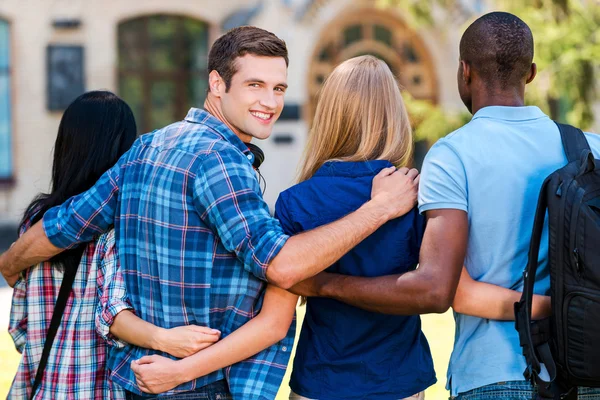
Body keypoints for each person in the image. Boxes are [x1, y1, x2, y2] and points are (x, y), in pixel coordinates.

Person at [0, 27, 418, 399]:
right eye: (255, 85)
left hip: (141, 380)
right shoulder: (221, 161)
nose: (269, 102)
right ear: (217, 84)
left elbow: (67, 223)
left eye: (278, 88)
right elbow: (284, 266)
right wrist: (378, 208)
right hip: (203, 384)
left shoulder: (149, 145)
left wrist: (11, 261)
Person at [290, 12, 600, 400]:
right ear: (532, 73)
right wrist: (574, 310)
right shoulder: (589, 148)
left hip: (496, 371)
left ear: (464, 71)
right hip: (586, 367)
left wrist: (324, 284)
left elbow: (449, 291)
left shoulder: (453, 155)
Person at [8, 91, 220, 400]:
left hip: (42, 388)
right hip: (97, 390)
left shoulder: (37, 220)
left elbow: (19, 327)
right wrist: (166, 339)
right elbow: (113, 313)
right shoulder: (120, 225)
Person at [273, 55, 434, 400]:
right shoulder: (415, 194)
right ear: (394, 116)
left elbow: (276, 313)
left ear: (329, 115)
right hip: (398, 379)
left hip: (321, 380)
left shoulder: (295, 201)